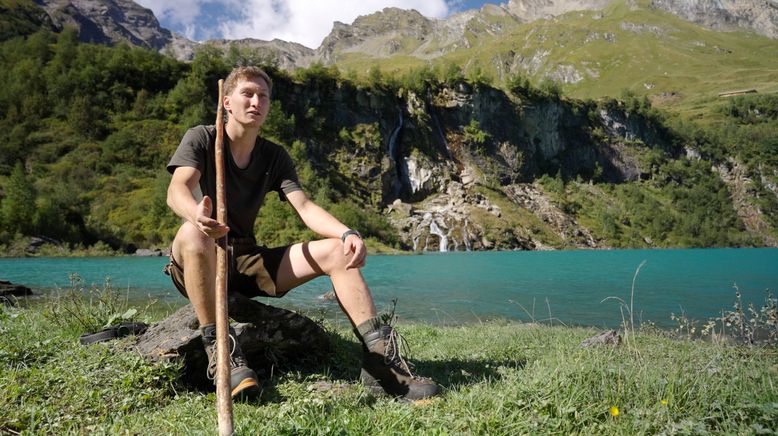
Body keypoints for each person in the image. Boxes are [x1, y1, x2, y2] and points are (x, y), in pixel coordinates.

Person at [164, 66, 440, 401]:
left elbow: (305, 207)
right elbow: (177, 189)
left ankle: (380, 360)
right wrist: (196, 215)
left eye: (263, 96)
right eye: (247, 94)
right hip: (201, 257)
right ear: (227, 102)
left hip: (246, 258)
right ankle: (220, 350)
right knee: (194, 236)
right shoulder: (203, 138)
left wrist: (346, 232)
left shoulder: (273, 155)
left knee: (340, 251)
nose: (256, 102)